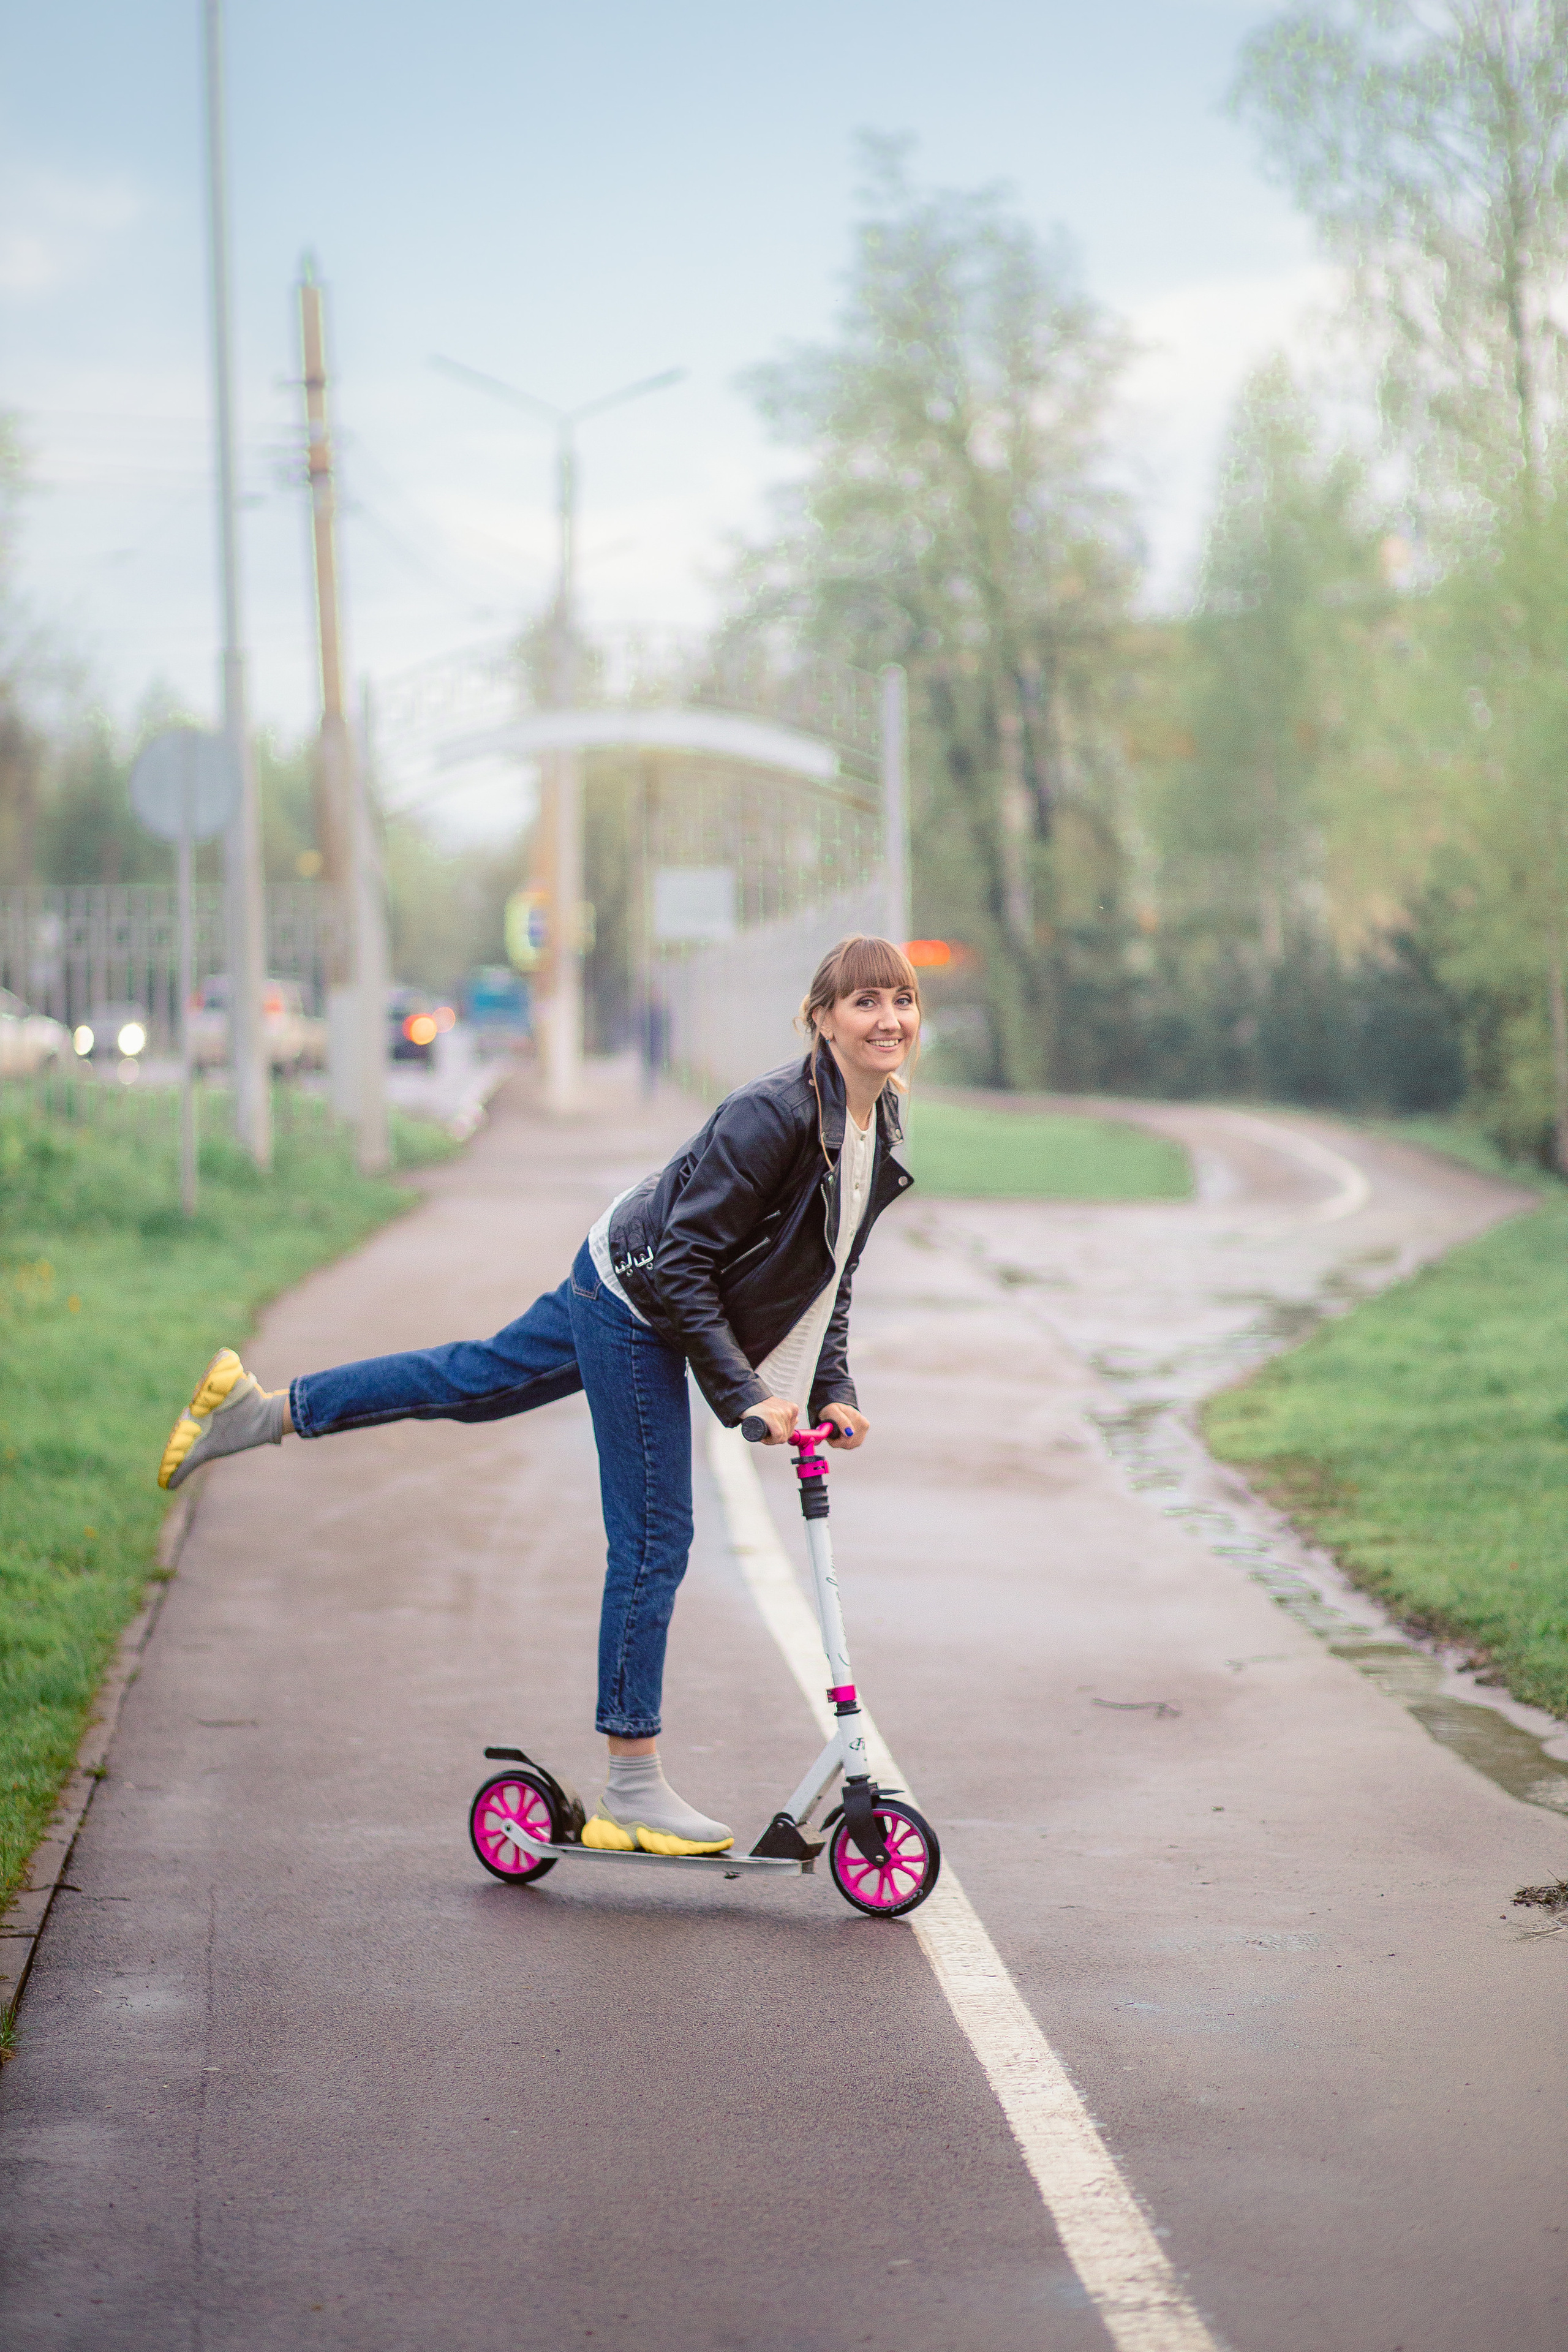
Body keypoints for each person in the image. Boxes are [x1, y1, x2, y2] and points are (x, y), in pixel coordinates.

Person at [156, 934, 921, 1858]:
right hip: (637, 1295)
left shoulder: (879, 1127)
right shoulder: (774, 1114)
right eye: (864, 1003)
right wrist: (746, 1393)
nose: (887, 1020)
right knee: (655, 1539)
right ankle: (632, 1785)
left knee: (475, 1382)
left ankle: (261, 1410)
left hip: (629, 1276)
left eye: (901, 1002)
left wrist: (831, 1388)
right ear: (822, 1019)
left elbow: (831, 1274)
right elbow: (682, 1261)